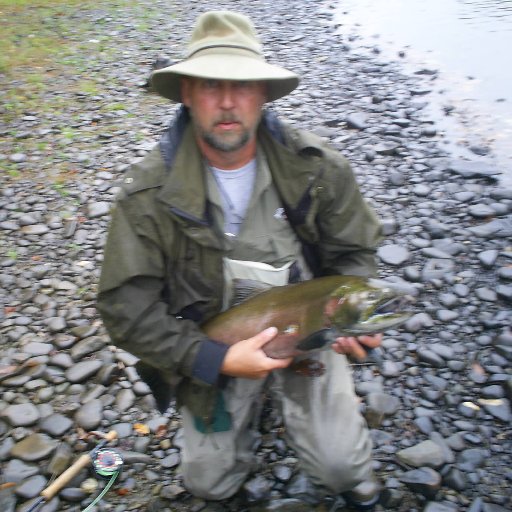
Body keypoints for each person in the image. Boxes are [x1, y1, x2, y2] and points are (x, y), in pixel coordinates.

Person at [97, 10, 384, 510]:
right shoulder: (146, 195)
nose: (228, 102)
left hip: (309, 332)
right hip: (214, 343)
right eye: (211, 85)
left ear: (264, 95)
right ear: (186, 92)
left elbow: (354, 253)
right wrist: (216, 359)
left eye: (243, 86)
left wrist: (355, 319)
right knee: (209, 483)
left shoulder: (318, 168)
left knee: (342, 470)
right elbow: (126, 307)